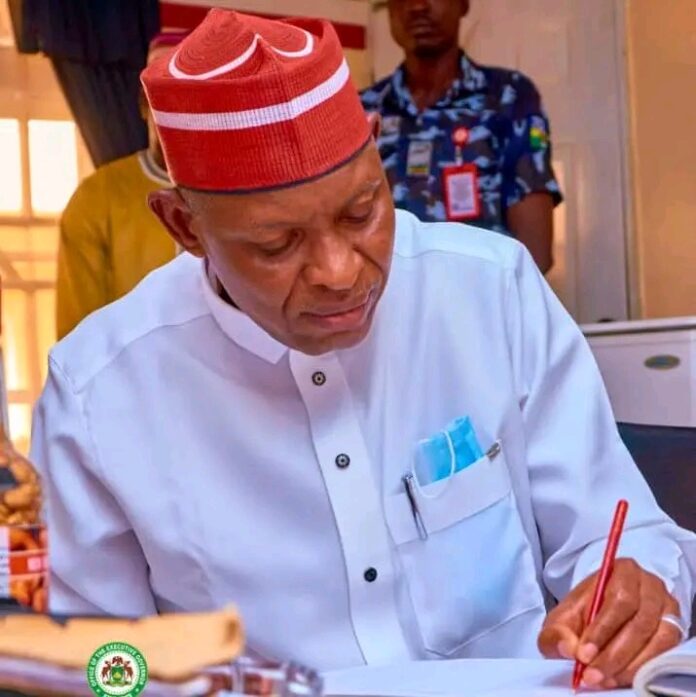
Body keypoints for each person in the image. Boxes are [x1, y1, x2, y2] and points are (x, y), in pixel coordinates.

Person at [31, 9, 694, 691]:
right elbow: (91, 659)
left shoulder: (492, 292)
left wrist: (639, 591)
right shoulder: (98, 392)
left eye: (361, 211)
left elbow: (620, 533)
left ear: (376, 149)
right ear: (184, 225)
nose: (340, 272)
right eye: (276, 244)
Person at [360, 0, 562, 273]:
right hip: (386, 298)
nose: (417, 6)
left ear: (463, 4)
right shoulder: (362, 110)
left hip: (482, 296)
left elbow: (535, 255)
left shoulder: (508, 97)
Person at [55, 34, 186, 340]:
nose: (178, 117)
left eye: (191, 103)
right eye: (163, 101)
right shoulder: (97, 198)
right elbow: (79, 337)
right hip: (132, 370)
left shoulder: (240, 196)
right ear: (143, 106)